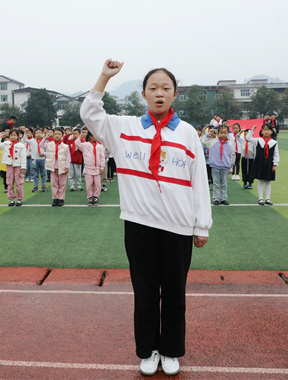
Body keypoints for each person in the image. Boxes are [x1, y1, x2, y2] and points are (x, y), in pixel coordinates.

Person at [80, 59, 212, 376]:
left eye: (166, 88)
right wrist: (104, 77)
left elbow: (199, 180)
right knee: (145, 293)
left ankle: (171, 351)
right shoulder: (124, 128)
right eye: (153, 88)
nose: (159, 93)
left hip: (179, 228)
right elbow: (89, 113)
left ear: (175, 94)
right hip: (139, 226)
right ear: (143, 94)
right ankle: (148, 350)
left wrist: (202, 225)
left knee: (175, 294)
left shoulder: (187, 133)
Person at [246, 123, 279, 206]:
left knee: (268, 181)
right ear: (261, 131)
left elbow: (276, 154)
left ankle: (268, 198)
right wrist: (252, 129)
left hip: (269, 163)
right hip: (259, 163)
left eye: (268, 130)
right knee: (260, 181)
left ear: (271, 132)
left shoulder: (274, 142)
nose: (266, 132)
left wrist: (275, 164)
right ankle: (260, 198)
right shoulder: (258, 140)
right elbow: (248, 138)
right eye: (264, 130)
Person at [201, 125, 234, 205]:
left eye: (225, 133)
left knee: (224, 184)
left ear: (228, 133)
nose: (223, 134)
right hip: (215, 166)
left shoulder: (230, 144)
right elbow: (203, 141)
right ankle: (216, 198)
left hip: (225, 167)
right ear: (218, 133)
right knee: (216, 183)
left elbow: (232, 155)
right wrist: (208, 134)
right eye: (221, 133)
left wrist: (231, 167)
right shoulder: (213, 141)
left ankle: (223, 198)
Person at [74, 130, 105, 206]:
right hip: (88, 168)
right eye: (95, 136)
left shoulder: (100, 146)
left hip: (97, 168)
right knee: (89, 184)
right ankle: (90, 197)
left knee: (97, 184)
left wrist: (102, 167)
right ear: (90, 137)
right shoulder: (85, 145)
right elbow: (77, 144)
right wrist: (80, 136)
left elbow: (102, 157)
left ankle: (96, 197)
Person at [0, 129, 26, 206]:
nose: (13, 137)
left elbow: (23, 157)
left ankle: (19, 199)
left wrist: (23, 167)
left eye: (14, 135)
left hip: (18, 165)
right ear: (9, 136)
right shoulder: (6, 144)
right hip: (9, 165)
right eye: (11, 135)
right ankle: (11, 199)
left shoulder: (21, 146)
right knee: (9, 182)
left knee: (19, 183)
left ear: (18, 136)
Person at [43, 127, 71, 207]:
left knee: (62, 183)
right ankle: (55, 198)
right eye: (55, 134)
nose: (57, 136)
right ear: (53, 135)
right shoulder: (49, 144)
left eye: (59, 134)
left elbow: (68, 157)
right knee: (54, 183)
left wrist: (67, 167)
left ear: (62, 135)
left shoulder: (65, 146)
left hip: (62, 167)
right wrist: (45, 138)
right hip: (53, 167)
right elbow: (41, 145)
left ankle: (61, 198)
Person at [24, 128, 47, 192]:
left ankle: (43, 186)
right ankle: (35, 186)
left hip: (42, 159)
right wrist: (25, 133)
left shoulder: (45, 141)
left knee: (43, 174)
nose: (38, 134)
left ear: (42, 134)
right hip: (34, 159)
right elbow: (25, 140)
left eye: (40, 133)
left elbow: (49, 150)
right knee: (35, 174)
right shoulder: (32, 141)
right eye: (37, 133)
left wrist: (44, 154)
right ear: (34, 134)